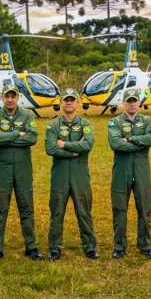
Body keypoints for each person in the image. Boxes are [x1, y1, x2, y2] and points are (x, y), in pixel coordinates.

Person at [0, 84, 43, 263]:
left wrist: (6, 137)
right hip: (2, 169)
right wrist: (18, 133)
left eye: (13, 96)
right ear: (2, 97)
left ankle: (31, 247)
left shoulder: (27, 115)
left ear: (17, 97)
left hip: (23, 168)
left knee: (26, 207)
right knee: (0, 208)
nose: (10, 99)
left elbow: (32, 137)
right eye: (7, 96)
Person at [44, 88, 98, 261]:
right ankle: (54, 248)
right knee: (57, 211)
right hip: (60, 173)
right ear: (61, 102)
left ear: (77, 102)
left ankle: (89, 246)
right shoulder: (53, 125)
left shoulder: (85, 125)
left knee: (84, 211)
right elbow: (50, 149)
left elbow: (87, 145)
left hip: (79, 173)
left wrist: (64, 145)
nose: (69, 102)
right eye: (66, 100)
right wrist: (75, 151)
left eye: (72, 100)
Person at [107, 88, 151, 259]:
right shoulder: (115, 122)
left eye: (134, 101)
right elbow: (115, 144)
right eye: (128, 101)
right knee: (119, 208)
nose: (131, 104)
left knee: (144, 207)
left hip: (141, 168)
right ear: (123, 102)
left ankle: (145, 245)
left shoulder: (147, 121)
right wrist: (141, 143)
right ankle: (119, 246)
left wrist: (130, 139)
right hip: (122, 169)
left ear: (139, 102)